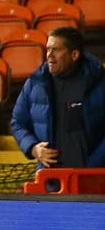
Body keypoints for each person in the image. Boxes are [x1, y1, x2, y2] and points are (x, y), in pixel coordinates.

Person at [11, 27, 105, 170]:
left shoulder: (99, 82)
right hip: (50, 177)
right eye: (48, 49)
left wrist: (94, 163)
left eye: (56, 50)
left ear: (74, 55)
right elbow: (18, 123)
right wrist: (33, 148)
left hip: (93, 176)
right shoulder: (35, 83)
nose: (49, 55)